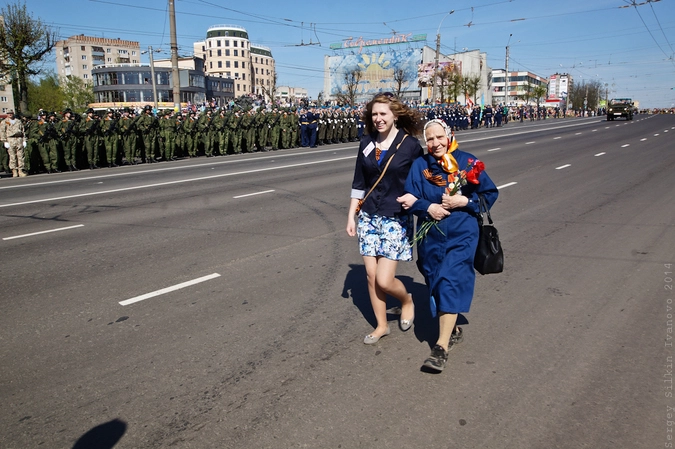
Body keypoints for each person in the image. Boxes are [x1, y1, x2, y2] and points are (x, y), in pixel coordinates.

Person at [397, 119, 498, 372]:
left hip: (462, 233)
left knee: (450, 279)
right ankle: (452, 328)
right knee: (433, 278)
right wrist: (428, 207)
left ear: (449, 136)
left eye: (439, 137)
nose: (435, 143)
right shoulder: (420, 166)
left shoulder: (467, 162)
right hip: (430, 236)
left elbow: (489, 194)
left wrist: (465, 202)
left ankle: (440, 347)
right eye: (429, 139)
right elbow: (409, 198)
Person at [346, 92, 423, 344]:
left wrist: (416, 198)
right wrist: (351, 216)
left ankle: (406, 300)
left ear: (395, 115)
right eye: (374, 114)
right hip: (369, 215)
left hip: (395, 216)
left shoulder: (410, 145)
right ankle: (381, 326)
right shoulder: (366, 142)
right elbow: (359, 182)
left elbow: (421, 179)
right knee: (371, 276)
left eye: (383, 114)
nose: (378, 119)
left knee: (384, 279)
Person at [0, 110, 28, 177]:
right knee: (12, 156)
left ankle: (20, 170)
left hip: (19, 139)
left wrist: (24, 140)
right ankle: (14, 171)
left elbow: (23, 131)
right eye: (8, 113)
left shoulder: (18, 121)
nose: (10, 114)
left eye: (11, 113)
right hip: (10, 139)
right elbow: (2, 132)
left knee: (21, 156)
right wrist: (4, 141)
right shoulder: (4, 122)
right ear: (7, 114)